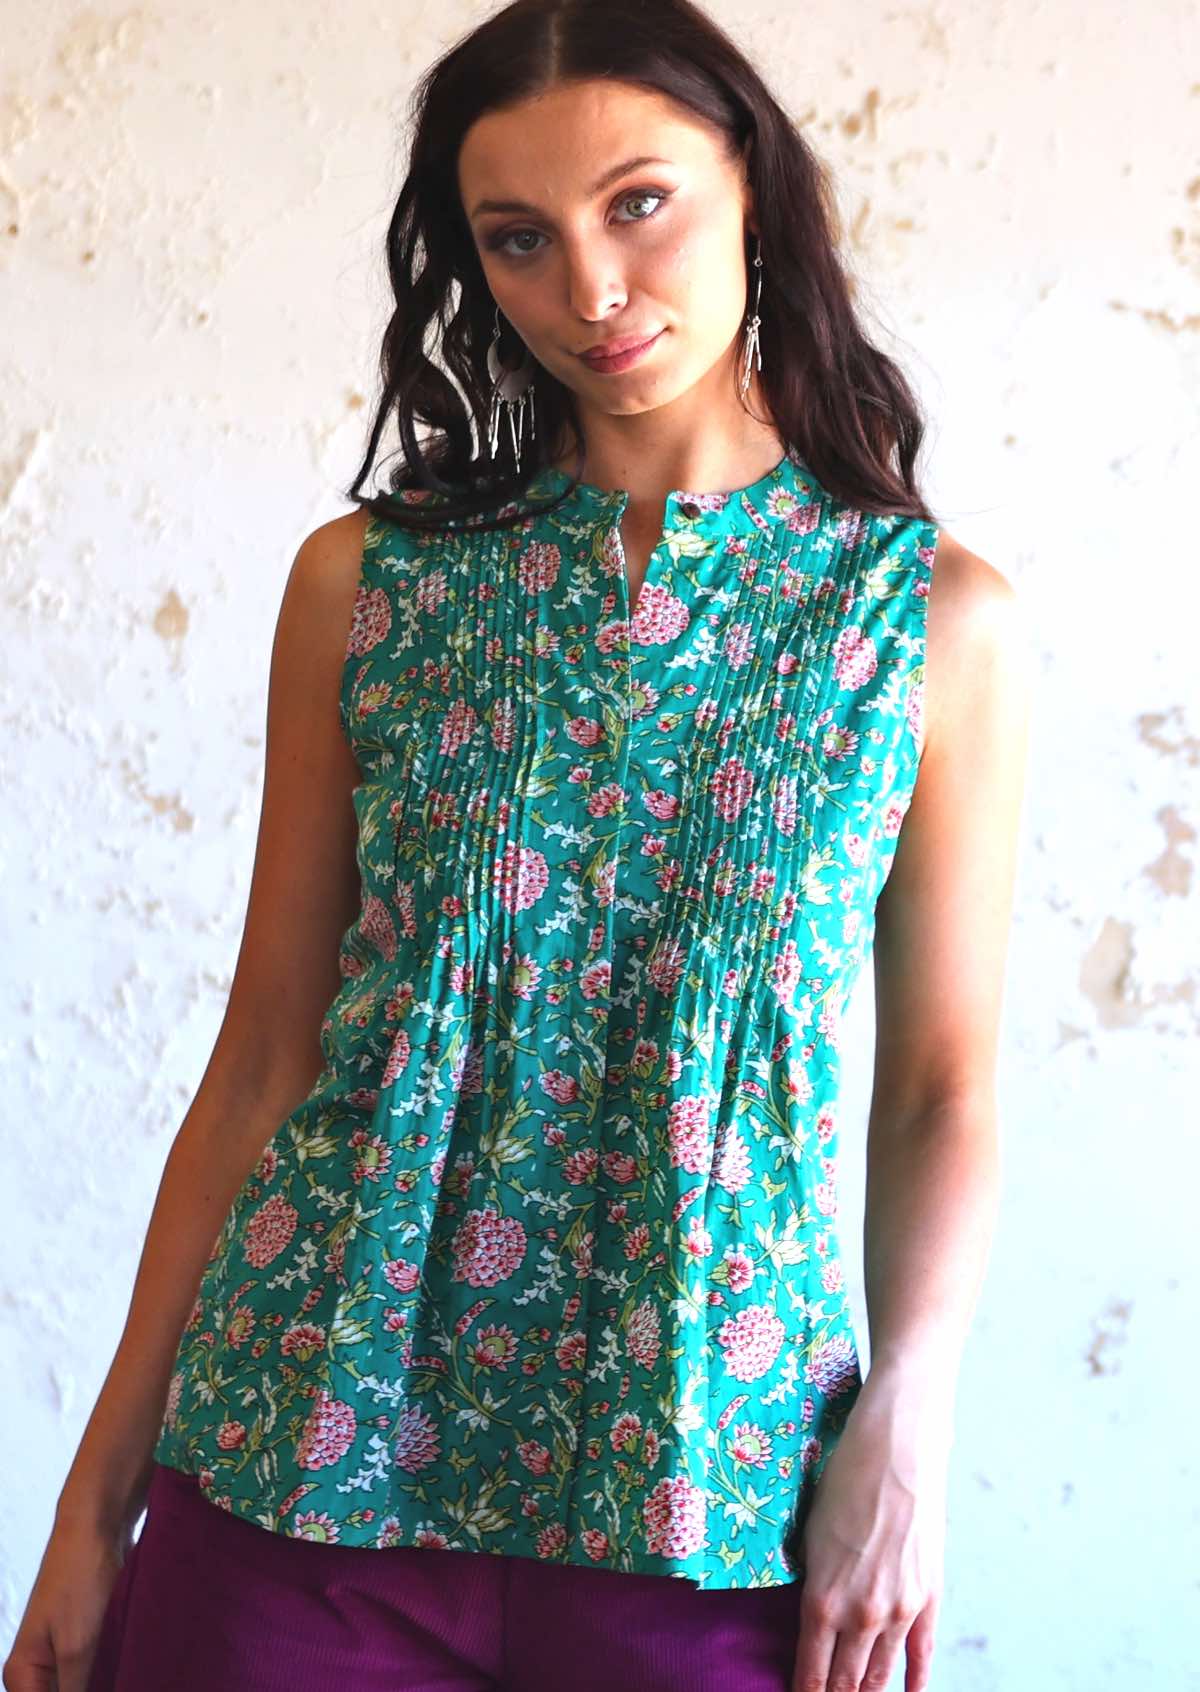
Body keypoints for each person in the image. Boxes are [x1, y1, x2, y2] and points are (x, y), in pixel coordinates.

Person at [4, 1, 1031, 1690]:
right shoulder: (369, 589)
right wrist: (90, 1501)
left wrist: (906, 1426)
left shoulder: (928, 625)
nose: (593, 292)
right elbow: (264, 1058)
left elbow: (942, 1090)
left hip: (713, 1497)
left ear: (753, 190)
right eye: (520, 241)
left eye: (641, 205)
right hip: (299, 1476)